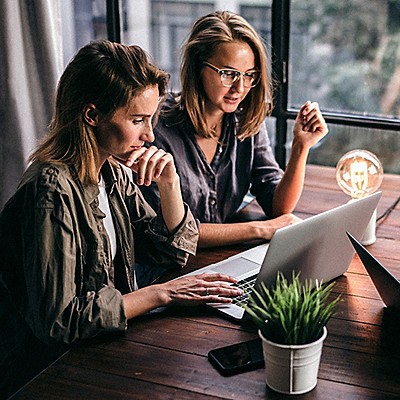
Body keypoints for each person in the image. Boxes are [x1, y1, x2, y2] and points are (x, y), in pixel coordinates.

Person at [0, 40, 242, 398]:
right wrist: (161, 294)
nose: (149, 135)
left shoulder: (110, 173)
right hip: (44, 373)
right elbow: (61, 322)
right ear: (92, 115)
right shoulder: (51, 191)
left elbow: (173, 252)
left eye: (152, 119)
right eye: (137, 120)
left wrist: (169, 183)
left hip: (95, 349)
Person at [139, 11, 329, 248]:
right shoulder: (155, 127)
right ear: (198, 66)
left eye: (249, 75)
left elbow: (278, 207)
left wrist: (301, 147)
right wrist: (260, 229)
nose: (240, 88)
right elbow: (168, 231)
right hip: (166, 269)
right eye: (228, 74)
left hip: (221, 259)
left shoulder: (245, 120)